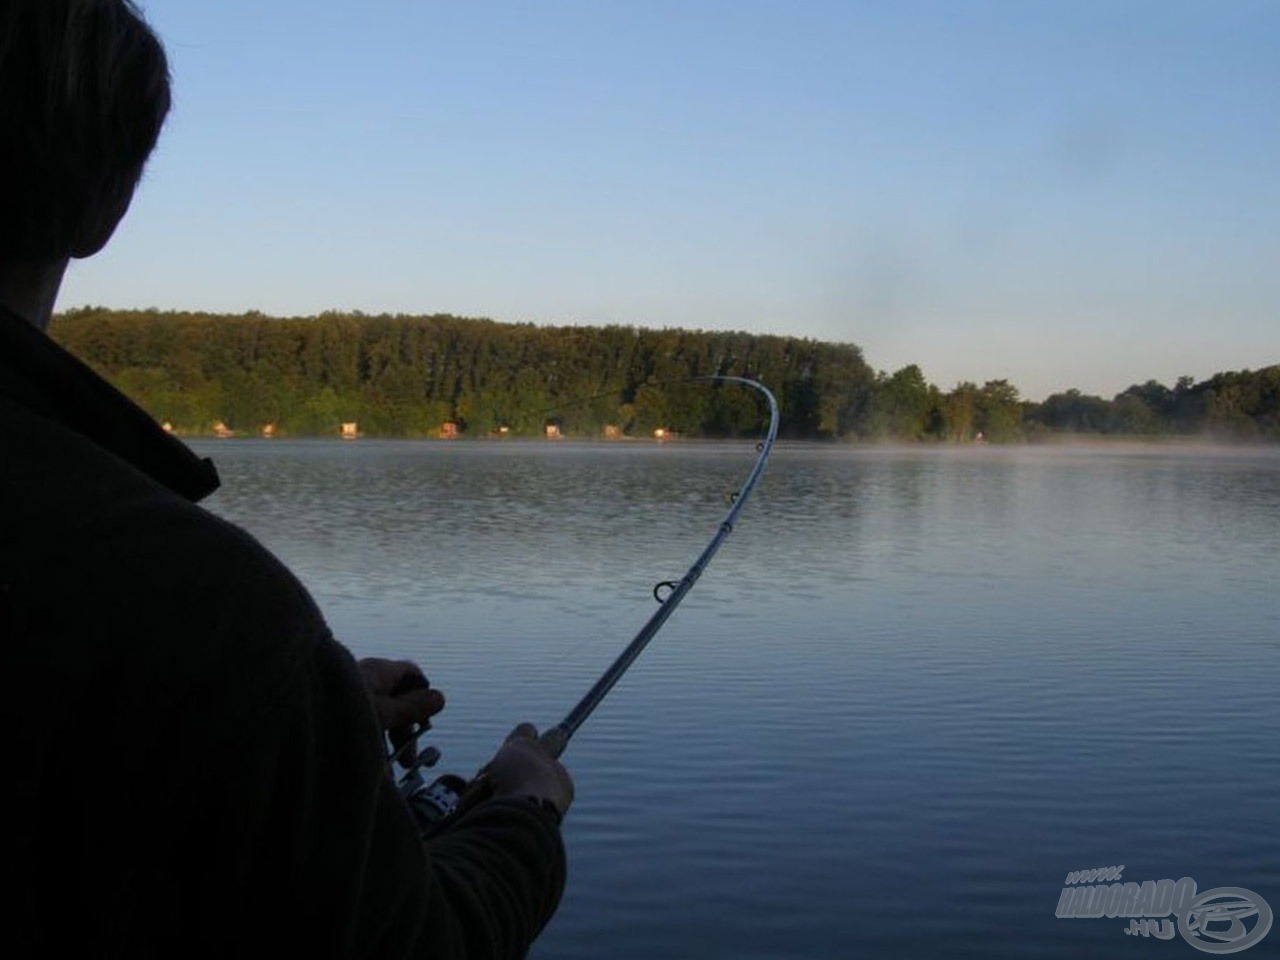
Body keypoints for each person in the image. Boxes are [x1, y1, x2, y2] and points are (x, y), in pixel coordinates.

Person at [0, 2, 573, 957]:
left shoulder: (209, 640)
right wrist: (523, 808)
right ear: (104, 205)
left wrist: (309, 712)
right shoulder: (190, 604)